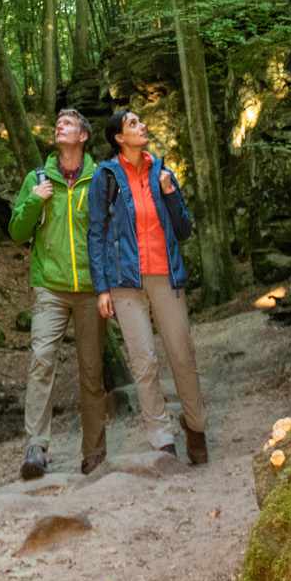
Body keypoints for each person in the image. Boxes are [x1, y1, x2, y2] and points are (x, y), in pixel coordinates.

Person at [86, 105, 208, 464]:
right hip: (124, 282)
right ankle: (161, 437)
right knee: (144, 362)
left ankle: (196, 426)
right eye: (133, 123)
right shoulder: (106, 176)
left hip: (165, 276)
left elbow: (184, 230)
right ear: (119, 138)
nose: (142, 126)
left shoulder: (161, 170)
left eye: (140, 121)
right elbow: (95, 233)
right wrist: (102, 288)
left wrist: (171, 193)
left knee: (182, 355)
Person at [7, 109, 109, 479]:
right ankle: (36, 446)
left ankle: (94, 449)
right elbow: (17, 232)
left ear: (83, 136)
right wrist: (35, 200)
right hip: (49, 286)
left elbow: (110, 232)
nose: (59, 126)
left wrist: (108, 285)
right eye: (58, 123)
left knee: (91, 370)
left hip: (90, 289)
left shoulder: (99, 178)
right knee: (41, 360)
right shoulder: (37, 178)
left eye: (68, 123)